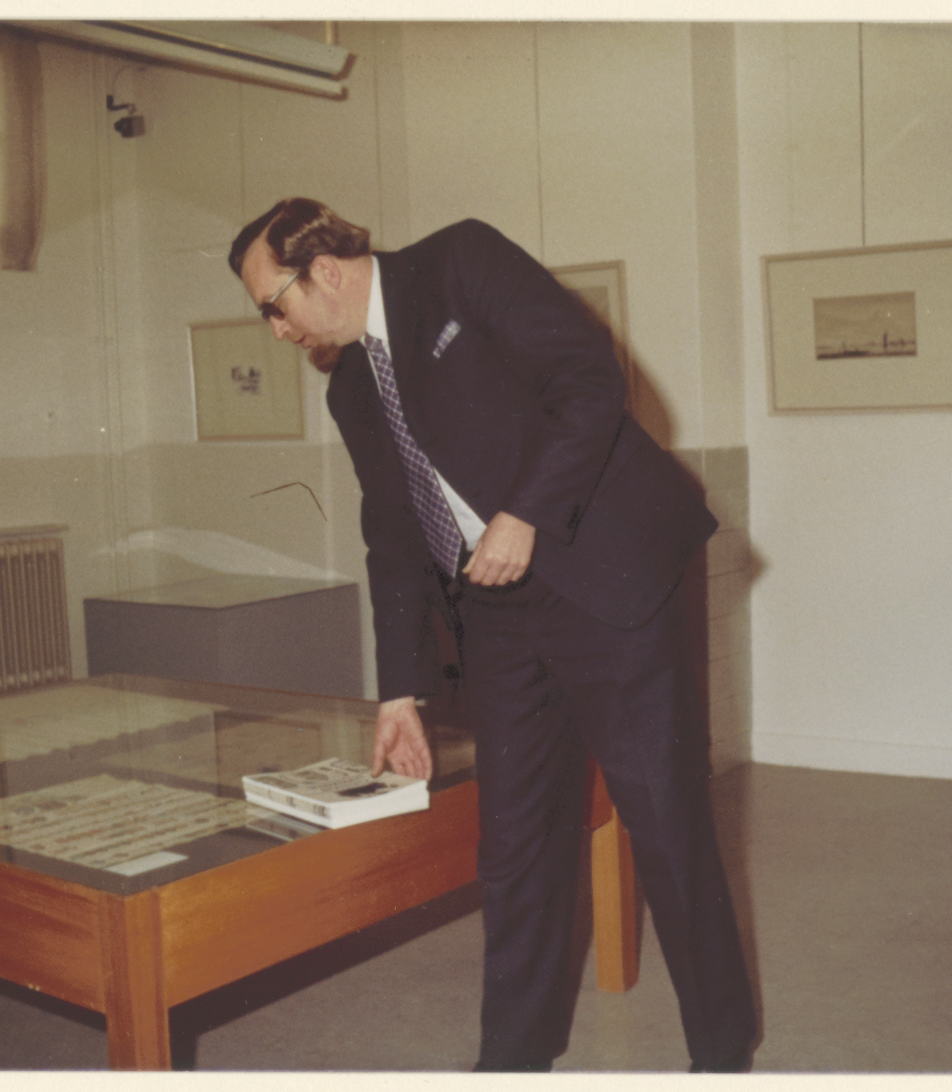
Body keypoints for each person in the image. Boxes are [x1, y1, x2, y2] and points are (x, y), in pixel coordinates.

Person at [228, 198, 756, 1072]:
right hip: (496, 611)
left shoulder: (459, 265)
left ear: (321, 270)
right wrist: (400, 692)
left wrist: (526, 513)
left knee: (664, 823)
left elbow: (588, 378)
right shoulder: (352, 385)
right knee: (515, 846)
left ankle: (722, 1054)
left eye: (273, 307)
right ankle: (512, 1062)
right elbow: (391, 535)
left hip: (602, 576)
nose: (277, 331)